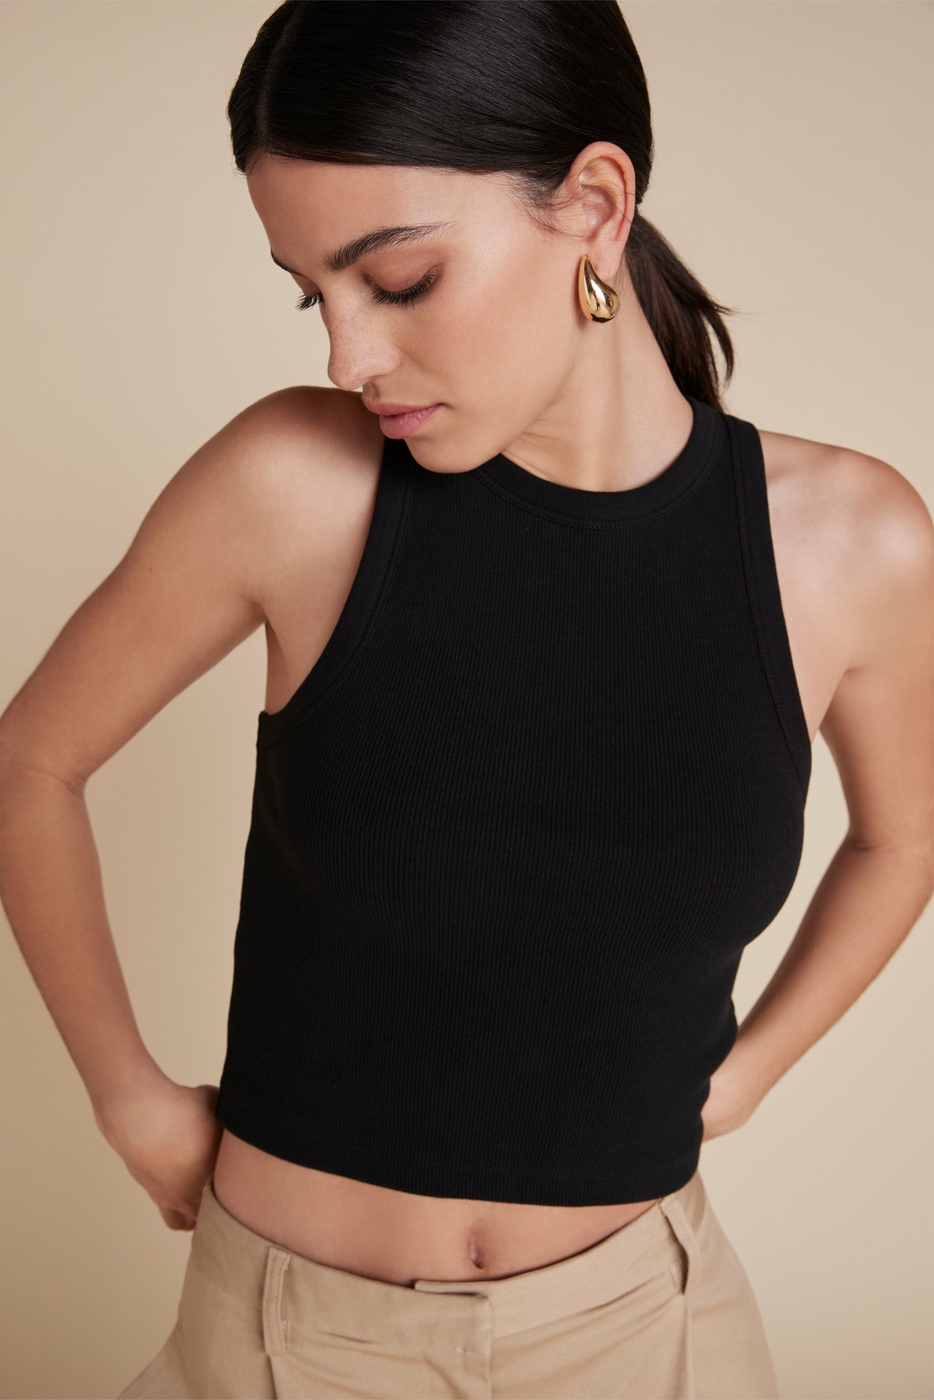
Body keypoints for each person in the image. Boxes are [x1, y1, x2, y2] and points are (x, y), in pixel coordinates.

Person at [1, 2, 931, 1397]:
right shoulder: (295, 487)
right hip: (285, 1347)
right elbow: (31, 761)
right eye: (312, 294)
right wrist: (125, 1094)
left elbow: (903, 837)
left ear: (595, 205)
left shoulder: (851, 546)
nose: (346, 357)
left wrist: (742, 1078)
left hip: (654, 1338)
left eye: (401, 279)